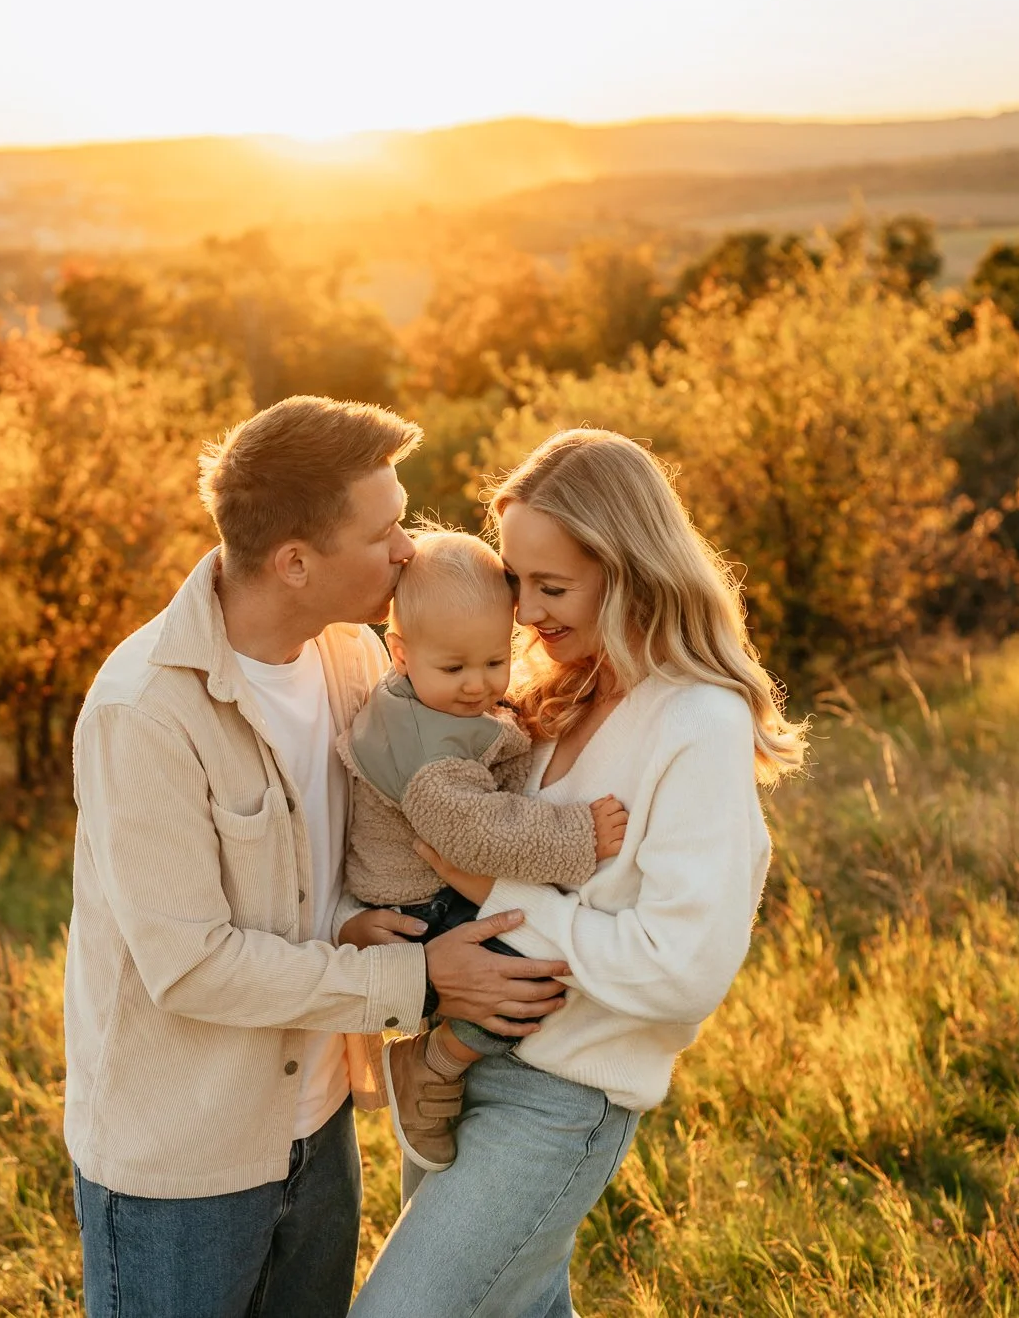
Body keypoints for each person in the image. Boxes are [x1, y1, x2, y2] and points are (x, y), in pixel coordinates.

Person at [62, 396, 574, 1318]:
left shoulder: (353, 656)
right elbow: (191, 965)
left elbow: (342, 850)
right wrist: (415, 976)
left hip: (322, 1125)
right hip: (185, 1162)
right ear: (295, 561)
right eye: (385, 532)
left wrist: (354, 918)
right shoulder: (144, 711)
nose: (409, 550)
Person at [349, 428, 808, 1318]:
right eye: (517, 583)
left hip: (558, 1093)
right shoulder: (553, 690)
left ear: (629, 571)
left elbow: (683, 966)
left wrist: (495, 898)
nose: (524, 615)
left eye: (552, 587)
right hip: (455, 1058)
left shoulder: (696, 722)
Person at [332, 528, 629, 1173]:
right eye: (455, 668)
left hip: (427, 890)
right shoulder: (423, 752)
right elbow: (475, 832)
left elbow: (489, 733)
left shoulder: (433, 702)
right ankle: (436, 1059)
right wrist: (576, 837)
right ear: (400, 652)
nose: (477, 685)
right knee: (528, 969)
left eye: (495, 662)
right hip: (419, 904)